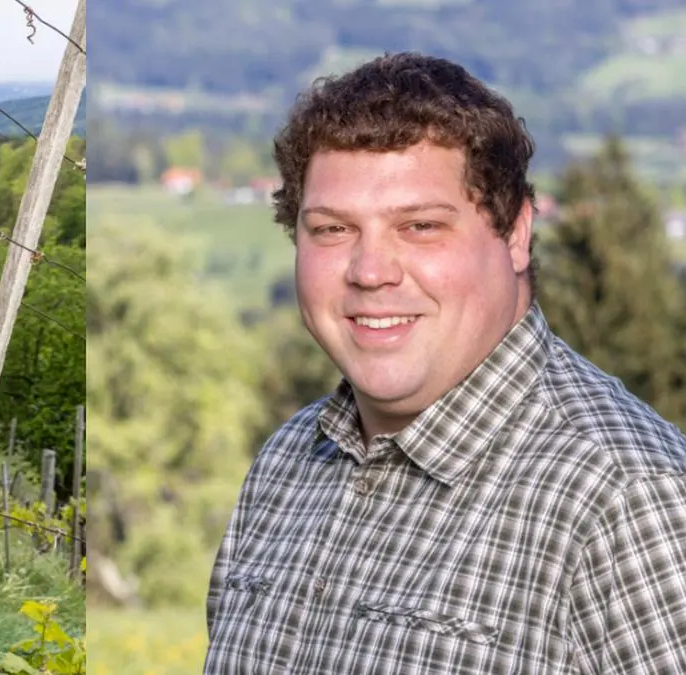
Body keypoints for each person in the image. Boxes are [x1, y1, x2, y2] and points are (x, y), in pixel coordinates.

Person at [204, 52, 686, 673]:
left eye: (421, 226)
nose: (371, 271)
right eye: (331, 230)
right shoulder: (286, 466)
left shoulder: (629, 500)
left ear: (515, 234)